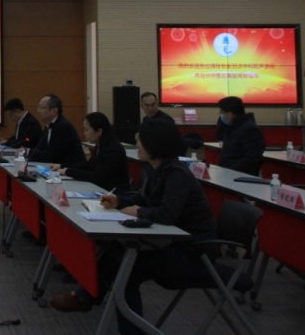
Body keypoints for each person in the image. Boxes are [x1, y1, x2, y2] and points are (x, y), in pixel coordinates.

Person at [50, 118, 217, 335]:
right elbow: (143, 197)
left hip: (194, 254)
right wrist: (119, 201)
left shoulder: (178, 175)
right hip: (172, 244)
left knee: (125, 266)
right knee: (120, 259)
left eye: (140, 141)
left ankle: (86, 298)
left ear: (155, 143)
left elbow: (167, 214)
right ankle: (88, 298)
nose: (136, 145)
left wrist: (138, 211)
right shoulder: (154, 169)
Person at [50, 111, 130, 192]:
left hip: (114, 194)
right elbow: (87, 167)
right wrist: (62, 166)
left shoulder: (112, 149)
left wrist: (68, 171)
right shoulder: (100, 145)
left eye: (86, 130)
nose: (84, 133)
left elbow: (97, 177)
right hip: (101, 190)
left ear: (99, 131)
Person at [28, 94, 87, 168]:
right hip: (57, 168)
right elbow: (41, 149)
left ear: (54, 111)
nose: (38, 111)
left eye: (42, 107)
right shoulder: (49, 126)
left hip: (72, 170)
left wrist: (27, 151)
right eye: (38, 107)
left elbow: (50, 156)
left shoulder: (63, 127)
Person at [215, 96, 265, 176]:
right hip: (228, 174)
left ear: (230, 114)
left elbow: (252, 158)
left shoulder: (250, 129)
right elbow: (219, 136)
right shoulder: (232, 127)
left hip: (241, 177)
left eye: (222, 113)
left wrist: (231, 171)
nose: (221, 116)